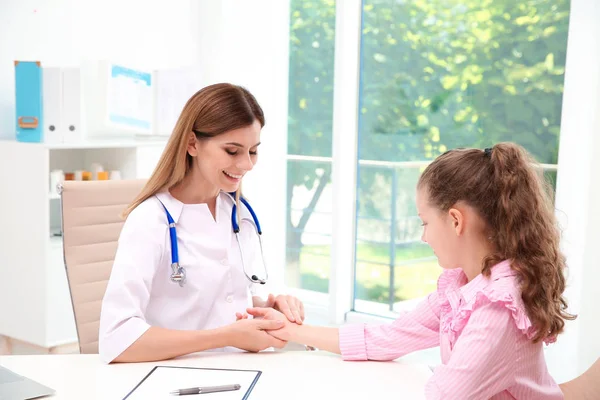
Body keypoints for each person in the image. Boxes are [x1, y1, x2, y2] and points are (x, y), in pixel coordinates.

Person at [245, 143, 576, 399]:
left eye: (425, 222)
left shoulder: (497, 307)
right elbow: (386, 339)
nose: (424, 236)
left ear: (456, 221)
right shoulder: (464, 287)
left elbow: (444, 395)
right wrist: (290, 330)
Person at [99, 83, 305, 364]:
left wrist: (268, 309)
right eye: (232, 151)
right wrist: (227, 336)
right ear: (193, 144)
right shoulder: (151, 221)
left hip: (241, 370)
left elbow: (226, 301)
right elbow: (117, 340)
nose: (247, 165)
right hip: (173, 378)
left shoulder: (238, 213)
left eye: (253, 151)